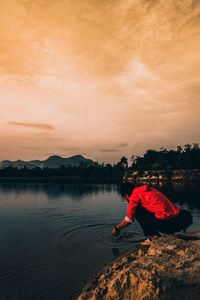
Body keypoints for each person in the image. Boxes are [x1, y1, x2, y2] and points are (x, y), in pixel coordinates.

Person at [112, 184, 193, 243]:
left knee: (137, 210)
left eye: (125, 198)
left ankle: (155, 236)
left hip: (169, 226)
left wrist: (117, 229)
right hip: (184, 219)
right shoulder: (148, 189)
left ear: (126, 195)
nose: (126, 200)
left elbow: (129, 219)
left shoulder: (134, 197)